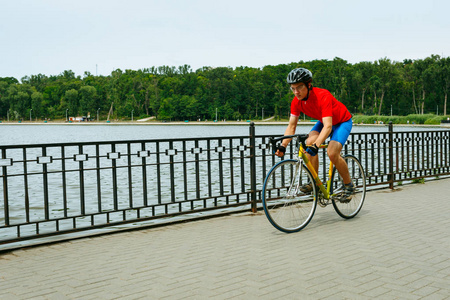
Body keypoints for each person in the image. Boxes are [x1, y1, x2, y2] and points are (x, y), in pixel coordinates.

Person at [275, 67, 354, 200]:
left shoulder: (322, 95)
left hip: (342, 122)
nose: (296, 92)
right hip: (324, 121)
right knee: (309, 142)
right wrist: (283, 145)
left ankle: (349, 185)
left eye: (299, 87)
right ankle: (315, 183)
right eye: (293, 88)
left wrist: (317, 145)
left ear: (309, 85)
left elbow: (328, 126)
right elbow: (291, 126)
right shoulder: (296, 102)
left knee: (332, 152)